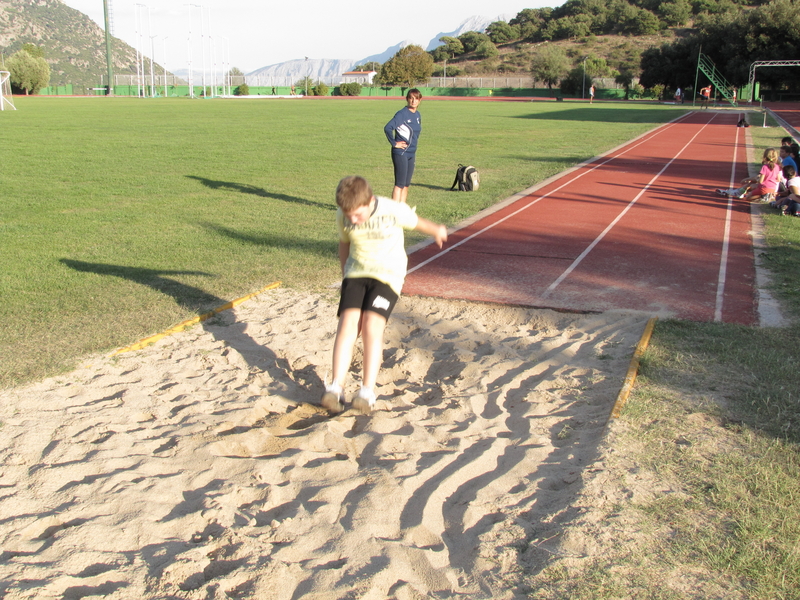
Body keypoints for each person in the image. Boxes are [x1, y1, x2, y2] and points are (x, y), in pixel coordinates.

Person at [320, 175, 448, 414]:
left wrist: (437, 230)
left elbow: (416, 222)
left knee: (371, 325)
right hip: (357, 272)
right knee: (348, 323)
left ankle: (367, 392)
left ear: (369, 202)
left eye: (358, 215)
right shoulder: (344, 215)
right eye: (349, 217)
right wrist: (345, 273)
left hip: (388, 275)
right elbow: (344, 243)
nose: (354, 221)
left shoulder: (391, 210)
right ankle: (336, 387)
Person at [384, 89, 423, 203]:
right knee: (399, 184)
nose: (413, 101)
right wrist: (394, 143)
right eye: (411, 98)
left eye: (416, 98)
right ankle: (394, 214)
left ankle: (402, 211)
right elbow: (388, 128)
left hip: (411, 153)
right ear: (407, 99)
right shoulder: (402, 114)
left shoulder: (417, 115)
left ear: (420, 100)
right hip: (401, 153)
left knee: (406, 185)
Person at [717, 148, 781, 201]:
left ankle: (761, 196)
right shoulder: (777, 167)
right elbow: (778, 179)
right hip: (772, 188)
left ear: (765, 156)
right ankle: (738, 192)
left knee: (747, 197)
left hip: (764, 188)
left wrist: (753, 179)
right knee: (750, 184)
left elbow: (761, 181)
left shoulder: (765, 167)